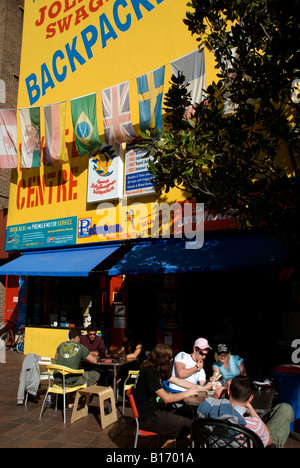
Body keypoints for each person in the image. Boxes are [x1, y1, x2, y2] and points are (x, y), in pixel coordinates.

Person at [133, 343, 205, 447]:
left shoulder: (156, 369)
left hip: (154, 412)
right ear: (162, 360)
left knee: (187, 411)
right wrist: (187, 393)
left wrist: (201, 388)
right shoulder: (149, 373)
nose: (172, 361)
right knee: (192, 427)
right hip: (149, 418)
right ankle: (169, 445)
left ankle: (174, 441)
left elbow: (179, 381)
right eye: (170, 358)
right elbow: (166, 398)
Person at [197, 375, 294, 448]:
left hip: (219, 442)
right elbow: (269, 441)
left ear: (229, 392)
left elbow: (206, 409)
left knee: (283, 409)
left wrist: (215, 398)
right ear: (251, 398)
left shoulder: (206, 413)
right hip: (257, 436)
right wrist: (250, 407)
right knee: (285, 409)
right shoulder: (255, 425)